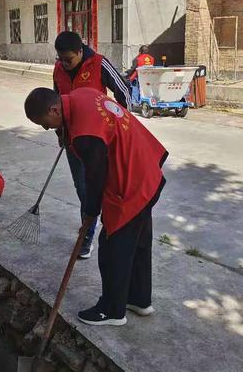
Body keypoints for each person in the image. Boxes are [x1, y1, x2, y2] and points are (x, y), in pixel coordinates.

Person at [24, 87, 167, 326]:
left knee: (112, 247)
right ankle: (139, 299)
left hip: (130, 183)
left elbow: (95, 176)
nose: (46, 129)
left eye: (45, 123)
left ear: (53, 109)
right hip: (147, 170)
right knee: (139, 241)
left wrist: (90, 212)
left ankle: (112, 310)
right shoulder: (81, 95)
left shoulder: (84, 133)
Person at [53, 31, 131, 260]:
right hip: (72, 139)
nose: (65, 65)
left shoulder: (99, 64)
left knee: (99, 186)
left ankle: (97, 232)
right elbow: (56, 102)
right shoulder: (59, 69)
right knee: (82, 188)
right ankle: (88, 228)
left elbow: (124, 91)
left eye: (69, 60)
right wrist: (60, 130)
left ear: (80, 51)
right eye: (61, 60)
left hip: (97, 140)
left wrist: (121, 127)